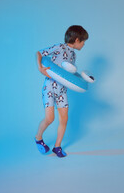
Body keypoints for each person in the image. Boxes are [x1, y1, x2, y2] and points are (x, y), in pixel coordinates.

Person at [34, 25, 88, 158]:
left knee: (64, 119)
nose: (84, 44)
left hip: (62, 91)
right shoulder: (59, 47)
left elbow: (68, 75)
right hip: (50, 88)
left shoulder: (73, 55)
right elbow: (39, 53)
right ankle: (38, 138)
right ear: (76, 40)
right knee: (49, 118)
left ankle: (57, 146)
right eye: (83, 41)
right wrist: (40, 68)